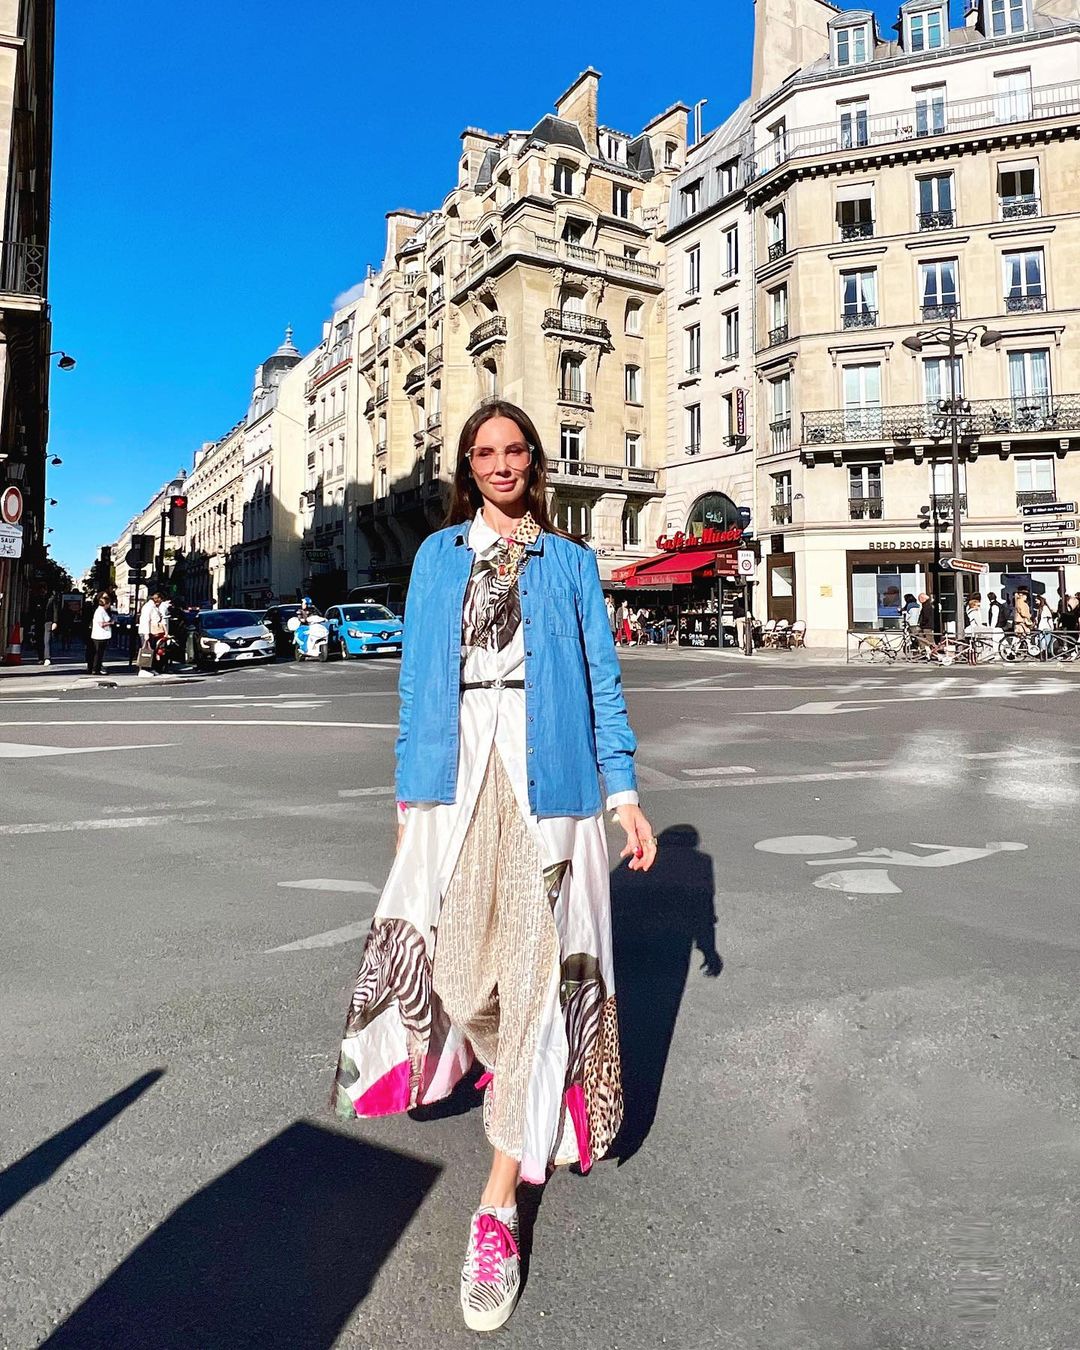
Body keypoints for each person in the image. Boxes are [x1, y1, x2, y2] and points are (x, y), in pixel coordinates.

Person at [332, 400, 655, 1333]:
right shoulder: (439, 557)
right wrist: (406, 798)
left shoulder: (571, 562)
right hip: (457, 770)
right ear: (468, 467)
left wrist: (624, 796)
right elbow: (414, 685)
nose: (502, 464)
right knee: (458, 976)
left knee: (540, 980)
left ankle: (499, 1202)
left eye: (515, 451)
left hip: (550, 777)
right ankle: (509, 1066)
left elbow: (602, 684)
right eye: (486, 452)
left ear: (534, 464)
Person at [138, 590, 167, 675]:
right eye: (161, 600)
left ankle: (150, 668)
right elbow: (145, 620)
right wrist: (146, 634)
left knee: (151, 651)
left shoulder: (153, 607)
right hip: (147, 632)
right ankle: (145, 668)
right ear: (158, 599)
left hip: (152, 632)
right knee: (147, 651)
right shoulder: (149, 607)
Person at [86, 593, 114, 674]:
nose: (109, 605)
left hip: (103, 635)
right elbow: (101, 624)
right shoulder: (100, 611)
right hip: (99, 635)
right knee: (98, 653)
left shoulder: (102, 611)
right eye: (109, 604)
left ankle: (97, 668)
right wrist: (111, 623)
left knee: (99, 653)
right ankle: (96, 669)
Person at [913, 592, 937, 657]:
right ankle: (926, 652)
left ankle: (934, 653)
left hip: (927, 626)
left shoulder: (926, 606)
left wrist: (921, 624)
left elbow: (926, 617)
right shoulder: (927, 605)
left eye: (919, 599)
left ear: (922, 598)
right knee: (923, 638)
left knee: (929, 640)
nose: (919, 601)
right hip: (926, 625)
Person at [1035, 594, 1055, 658]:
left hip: (1046, 627)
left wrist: (1051, 627)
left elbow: (1049, 619)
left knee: (1046, 641)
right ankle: (1043, 654)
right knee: (1042, 641)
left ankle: (1045, 654)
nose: (1036, 602)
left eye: (1037, 600)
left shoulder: (1045, 608)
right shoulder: (1039, 608)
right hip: (1041, 627)